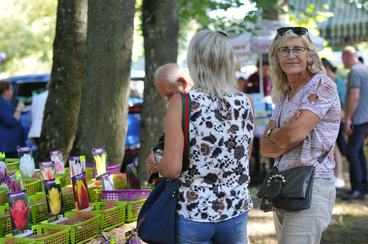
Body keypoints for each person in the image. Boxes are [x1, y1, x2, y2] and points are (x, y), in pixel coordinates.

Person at [147, 30, 255, 243]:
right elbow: (243, 158)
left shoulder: (182, 103)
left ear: (194, 61)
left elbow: (171, 169)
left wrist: (155, 162)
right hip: (235, 208)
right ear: (227, 61)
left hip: (193, 211)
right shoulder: (245, 102)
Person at [260, 27, 340, 244]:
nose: (291, 55)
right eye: (284, 50)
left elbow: (292, 135)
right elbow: (264, 147)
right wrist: (279, 134)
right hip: (284, 184)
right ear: (277, 57)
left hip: (312, 183)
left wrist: (276, 133)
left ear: (310, 54)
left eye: (298, 49)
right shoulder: (285, 94)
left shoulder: (322, 85)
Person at [145, 63, 192, 178]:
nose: (168, 101)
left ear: (183, 82)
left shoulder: (193, 105)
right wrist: (156, 153)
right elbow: (167, 138)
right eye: (166, 97)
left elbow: (172, 169)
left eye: (170, 95)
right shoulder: (181, 106)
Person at [342, 46, 368, 199]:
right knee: (358, 152)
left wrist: (348, 118)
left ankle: (357, 189)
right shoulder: (364, 69)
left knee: (351, 152)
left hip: (358, 119)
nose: (342, 62)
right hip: (364, 118)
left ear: (347, 57)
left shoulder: (355, 71)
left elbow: (354, 96)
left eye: (343, 59)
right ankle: (363, 185)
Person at [321, 58, 347, 188]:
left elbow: (341, 102)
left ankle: (340, 176)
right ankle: (338, 175)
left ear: (327, 68)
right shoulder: (331, 81)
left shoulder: (338, 81)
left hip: (338, 119)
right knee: (335, 147)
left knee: (337, 147)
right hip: (333, 119)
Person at [0, 79, 25, 158]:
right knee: (11, 169)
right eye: (11, 89)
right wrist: (19, 109)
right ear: (5, 91)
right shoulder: (2, 104)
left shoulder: (5, 103)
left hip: (11, 145)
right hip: (8, 147)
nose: (12, 91)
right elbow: (11, 122)